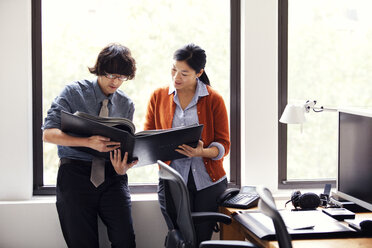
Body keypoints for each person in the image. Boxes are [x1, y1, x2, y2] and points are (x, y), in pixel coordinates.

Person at [42, 43, 138, 248]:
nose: (115, 81)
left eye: (121, 77)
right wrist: (87, 142)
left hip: (113, 177)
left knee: (125, 241)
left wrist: (124, 166)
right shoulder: (73, 92)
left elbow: (126, 143)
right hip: (75, 174)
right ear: (100, 69)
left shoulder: (126, 104)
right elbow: (48, 134)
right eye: (111, 74)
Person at [144, 43, 230, 245]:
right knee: (178, 239)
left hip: (207, 182)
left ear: (199, 73)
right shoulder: (158, 96)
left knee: (200, 241)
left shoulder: (214, 99)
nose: (176, 77)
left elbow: (224, 145)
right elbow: (147, 136)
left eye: (184, 73)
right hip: (171, 179)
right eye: (174, 69)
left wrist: (202, 152)